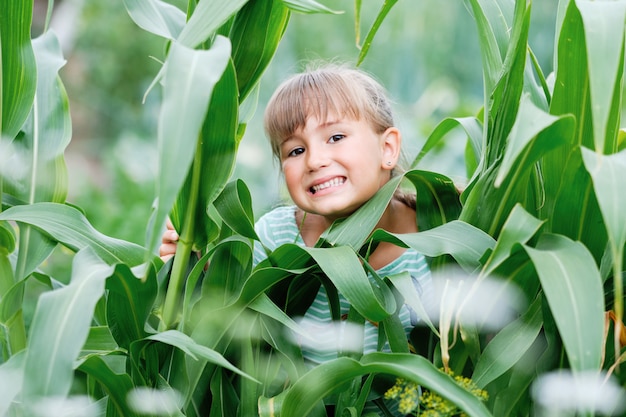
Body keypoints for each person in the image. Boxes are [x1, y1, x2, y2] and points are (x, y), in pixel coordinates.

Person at [160, 63, 432, 412]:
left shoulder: (433, 244)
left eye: (336, 137)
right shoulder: (276, 238)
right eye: (295, 150)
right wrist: (189, 271)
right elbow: (228, 317)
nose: (316, 160)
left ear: (388, 148)